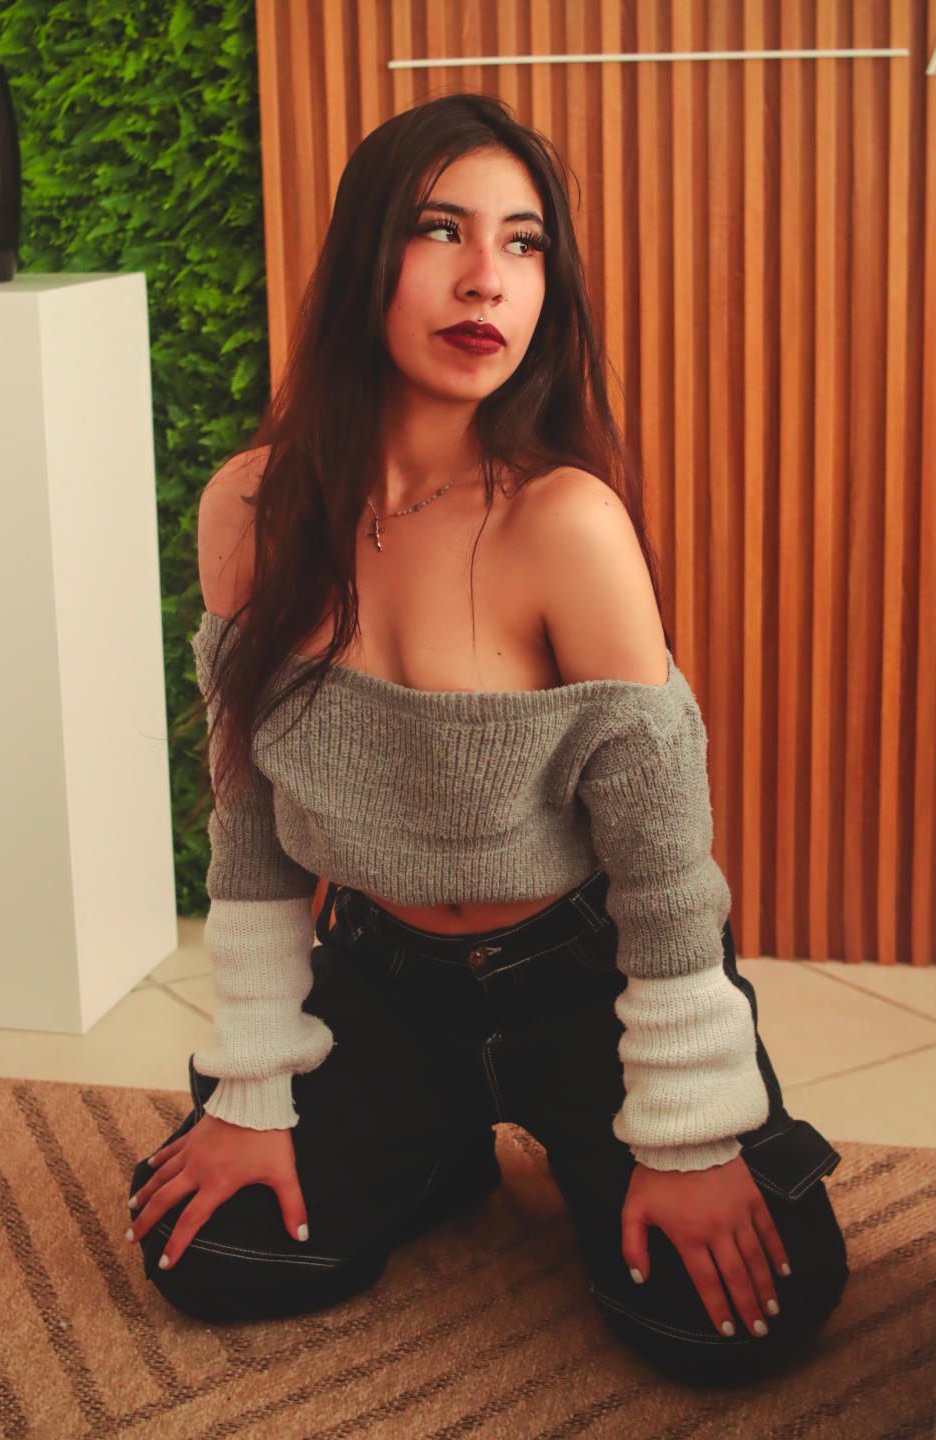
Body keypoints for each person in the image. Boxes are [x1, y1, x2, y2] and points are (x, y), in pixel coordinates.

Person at [126, 92, 848, 1385]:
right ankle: (440, 1145)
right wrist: (251, 1085)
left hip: (586, 978)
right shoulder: (250, 506)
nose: (486, 279)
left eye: (524, 243)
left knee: (732, 1324)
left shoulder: (565, 521)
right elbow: (249, 817)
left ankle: (566, 1137)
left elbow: (664, 860)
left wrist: (688, 1129)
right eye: (439, 229)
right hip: (383, 979)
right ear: (365, 256)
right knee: (213, 1257)